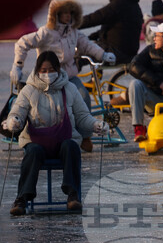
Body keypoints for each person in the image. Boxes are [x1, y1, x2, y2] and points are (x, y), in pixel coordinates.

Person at [1, 51, 107, 215]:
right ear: (37, 70)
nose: (47, 73)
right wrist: (13, 121)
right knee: (33, 152)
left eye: (50, 69)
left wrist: (96, 124)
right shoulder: (28, 90)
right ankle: (22, 198)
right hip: (36, 142)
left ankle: (73, 195)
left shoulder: (69, 88)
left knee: (71, 146)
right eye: (43, 70)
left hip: (63, 140)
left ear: (57, 69)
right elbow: (18, 111)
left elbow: (82, 116)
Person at [80, 0, 144, 64]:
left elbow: (96, 18)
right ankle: (96, 74)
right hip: (129, 51)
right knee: (91, 46)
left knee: (79, 51)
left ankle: (69, 76)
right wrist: (90, 37)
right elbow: (116, 28)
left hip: (116, 52)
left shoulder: (118, 4)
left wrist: (74, 23)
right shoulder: (134, 5)